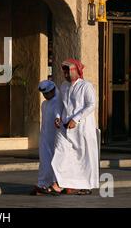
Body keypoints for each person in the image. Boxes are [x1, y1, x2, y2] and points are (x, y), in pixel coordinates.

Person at [50, 58, 99, 195]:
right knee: (61, 152)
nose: (65, 73)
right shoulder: (64, 86)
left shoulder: (86, 86)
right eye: (64, 71)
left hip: (81, 129)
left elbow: (91, 104)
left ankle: (86, 186)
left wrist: (76, 119)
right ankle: (61, 182)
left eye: (68, 70)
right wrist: (58, 117)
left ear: (77, 70)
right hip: (65, 128)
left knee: (84, 157)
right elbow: (60, 104)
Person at [30, 80, 63, 196]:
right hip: (45, 136)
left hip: (56, 137)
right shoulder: (44, 104)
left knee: (55, 160)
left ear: (53, 90)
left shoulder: (59, 102)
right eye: (44, 94)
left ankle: (56, 184)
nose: (45, 96)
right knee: (44, 161)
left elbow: (59, 117)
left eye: (47, 93)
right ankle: (42, 184)